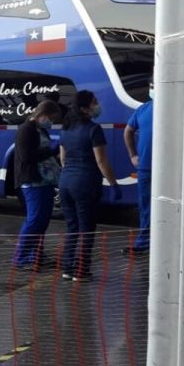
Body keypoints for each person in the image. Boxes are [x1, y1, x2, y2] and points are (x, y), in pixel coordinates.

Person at [59, 90, 122, 282]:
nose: (97, 106)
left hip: (65, 182)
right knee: (86, 228)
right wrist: (113, 184)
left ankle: (68, 268)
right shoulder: (94, 129)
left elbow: (62, 159)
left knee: (72, 227)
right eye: (94, 103)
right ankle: (82, 271)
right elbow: (101, 161)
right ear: (85, 108)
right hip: (85, 183)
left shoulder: (66, 128)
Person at [12, 100, 62, 271]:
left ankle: (37, 254)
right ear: (42, 114)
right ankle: (22, 257)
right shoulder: (26, 130)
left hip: (45, 181)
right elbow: (27, 156)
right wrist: (52, 150)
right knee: (34, 220)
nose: (52, 122)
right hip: (33, 181)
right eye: (51, 118)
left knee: (42, 220)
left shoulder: (40, 130)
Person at [123, 84, 154, 255]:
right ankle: (144, 242)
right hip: (146, 168)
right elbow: (127, 131)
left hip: (169, 169)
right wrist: (133, 155)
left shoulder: (177, 105)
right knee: (145, 206)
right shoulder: (143, 109)